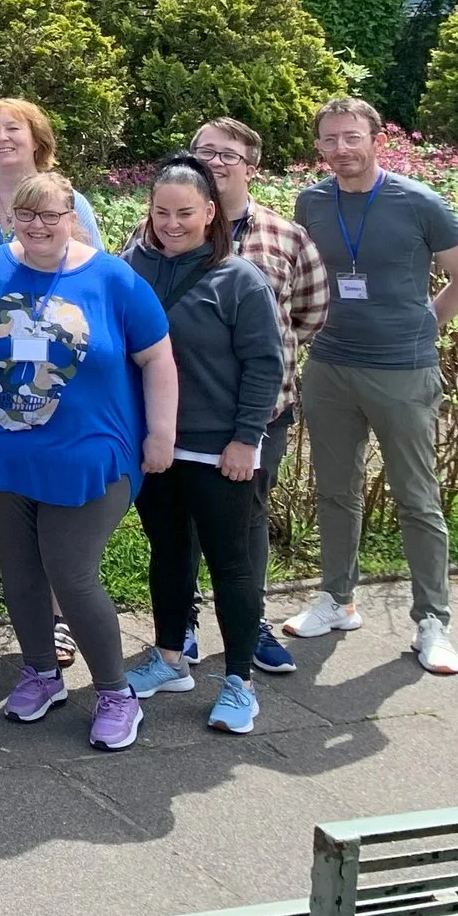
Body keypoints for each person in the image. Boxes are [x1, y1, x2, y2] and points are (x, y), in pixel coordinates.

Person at [0, 169, 179, 751]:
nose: (39, 226)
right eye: (27, 215)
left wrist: (161, 433)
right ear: (11, 218)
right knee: (20, 569)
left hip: (89, 453)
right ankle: (40, 670)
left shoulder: (114, 279)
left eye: (52, 216)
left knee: (70, 569)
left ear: (74, 219)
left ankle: (115, 692)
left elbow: (157, 358)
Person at [284, 97, 458, 673]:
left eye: (352, 137)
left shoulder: (418, 201)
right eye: (330, 139)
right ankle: (337, 599)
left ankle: (432, 622)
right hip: (329, 365)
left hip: (403, 370)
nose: (341, 149)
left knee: (416, 498)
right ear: (319, 146)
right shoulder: (312, 202)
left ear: (375, 138)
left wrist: (422, 326)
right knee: (335, 490)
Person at [123, 155, 287, 735]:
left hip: (220, 449)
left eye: (185, 213)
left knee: (230, 563)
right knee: (168, 553)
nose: (171, 223)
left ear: (211, 212)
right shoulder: (130, 266)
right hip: (155, 444)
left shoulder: (239, 278)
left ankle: (239, 681)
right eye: (161, 211)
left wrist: (247, 439)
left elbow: (265, 364)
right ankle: (170, 659)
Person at [0, 98, 99, 656]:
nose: (1, 138)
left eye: (14, 129)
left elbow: (92, 277)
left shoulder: (68, 200)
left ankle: (54, 611)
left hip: (50, 369)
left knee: (47, 482)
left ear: (37, 138)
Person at [181, 116, 330, 675]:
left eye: (227, 155)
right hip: (181, 411)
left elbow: (310, 314)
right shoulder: (161, 231)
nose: (214, 163)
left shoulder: (286, 237)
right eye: (204, 152)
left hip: (260, 414)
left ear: (252, 166)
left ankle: (250, 622)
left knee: (247, 520)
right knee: (183, 521)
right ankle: (183, 620)